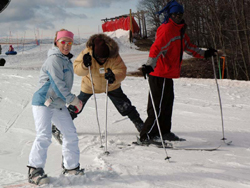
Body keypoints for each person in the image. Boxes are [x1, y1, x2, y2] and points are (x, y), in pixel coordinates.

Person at [139, 0, 218, 143]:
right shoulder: (167, 28)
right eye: (175, 14)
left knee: (167, 105)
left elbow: (188, 46)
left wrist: (204, 53)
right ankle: (146, 136)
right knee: (157, 107)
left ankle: (164, 132)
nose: (178, 16)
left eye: (180, 14)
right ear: (170, 14)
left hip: (167, 74)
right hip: (158, 73)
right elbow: (156, 48)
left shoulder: (179, 29)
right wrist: (150, 65)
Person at [53, 33, 144, 141]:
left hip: (110, 84)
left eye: (104, 58)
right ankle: (58, 127)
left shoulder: (113, 54)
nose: (102, 60)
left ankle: (141, 126)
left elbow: (121, 70)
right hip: (90, 85)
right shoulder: (87, 53)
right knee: (77, 106)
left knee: (125, 105)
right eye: (100, 58)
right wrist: (84, 65)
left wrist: (114, 77)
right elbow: (77, 69)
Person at [27, 29, 84, 185]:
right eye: (63, 42)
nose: (66, 45)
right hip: (43, 102)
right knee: (44, 135)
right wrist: (73, 100)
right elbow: (58, 85)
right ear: (56, 42)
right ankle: (34, 171)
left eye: (70, 42)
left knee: (70, 133)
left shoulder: (65, 59)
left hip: (57, 104)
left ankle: (71, 167)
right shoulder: (54, 60)